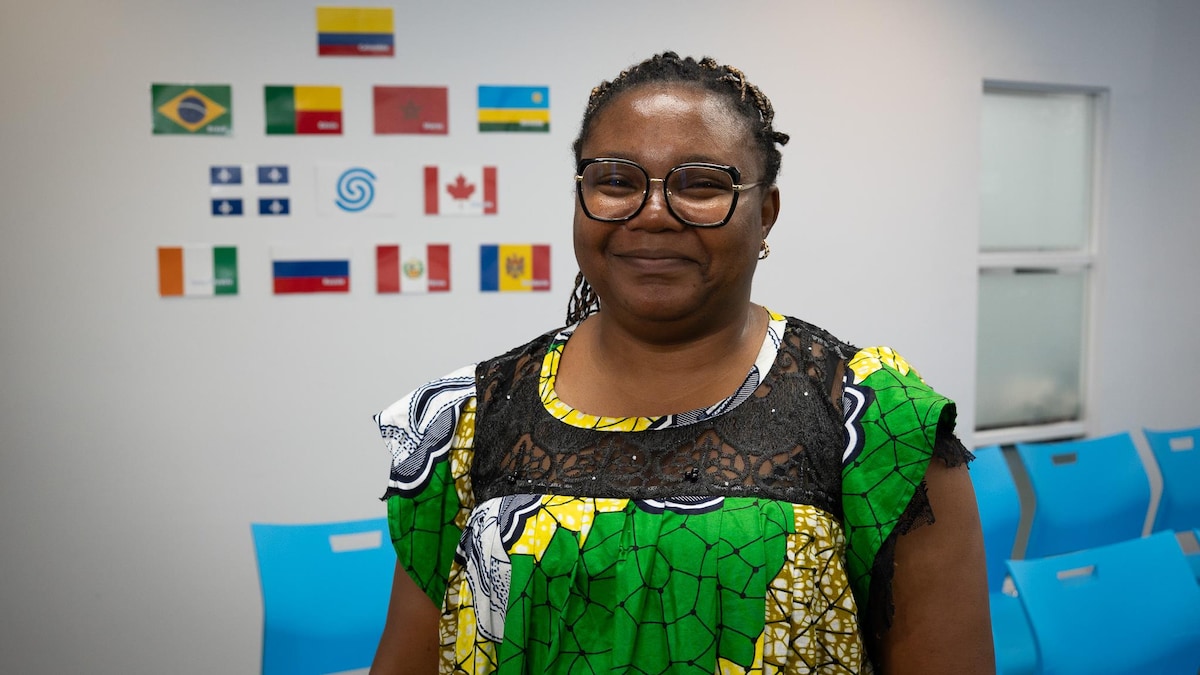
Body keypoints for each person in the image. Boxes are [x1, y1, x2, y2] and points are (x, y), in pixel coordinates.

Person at [370, 52, 993, 674]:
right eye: (617, 181)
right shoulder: (466, 419)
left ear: (766, 213)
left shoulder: (874, 419)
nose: (652, 213)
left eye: (700, 185)